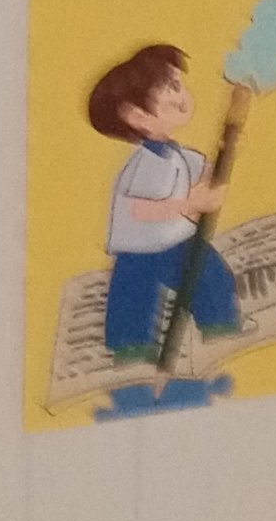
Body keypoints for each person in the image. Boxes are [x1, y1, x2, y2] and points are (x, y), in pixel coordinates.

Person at [87, 40, 237, 361]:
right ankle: (130, 351)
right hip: (141, 250)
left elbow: (205, 172)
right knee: (134, 300)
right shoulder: (148, 163)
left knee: (211, 277)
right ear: (138, 116)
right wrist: (189, 206)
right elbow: (141, 209)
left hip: (176, 242)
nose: (182, 96)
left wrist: (224, 156)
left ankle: (221, 326)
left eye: (180, 85)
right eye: (171, 88)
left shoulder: (177, 154)